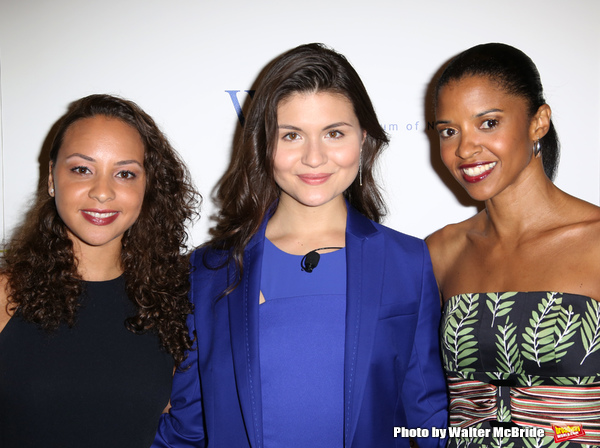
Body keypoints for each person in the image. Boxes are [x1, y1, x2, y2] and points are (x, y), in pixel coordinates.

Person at [153, 43, 448, 448]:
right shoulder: (208, 270)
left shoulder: (408, 262)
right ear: (263, 144)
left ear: (362, 138)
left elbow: (430, 420)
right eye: (291, 135)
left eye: (334, 133)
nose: (314, 157)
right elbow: (188, 425)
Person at [0, 94, 200, 448]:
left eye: (125, 173)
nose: (102, 192)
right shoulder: (6, 294)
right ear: (51, 177)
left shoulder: (174, 304)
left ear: (146, 186)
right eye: (82, 169)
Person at [427, 43, 600, 448]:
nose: (465, 149)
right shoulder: (440, 251)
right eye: (449, 131)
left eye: (487, 123)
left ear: (538, 122)